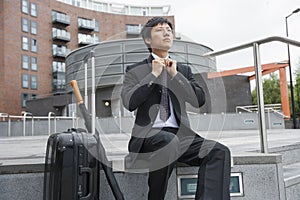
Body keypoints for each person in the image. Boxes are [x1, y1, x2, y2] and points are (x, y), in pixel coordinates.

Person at [121, 17, 231, 200]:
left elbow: (198, 100)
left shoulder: (183, 70)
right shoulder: (135, 70)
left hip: (182, 136)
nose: (166, 33)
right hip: (148, 137)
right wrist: (152, 75)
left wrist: (176, 75)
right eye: (159, 30)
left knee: (219, 151)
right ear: (148, 39)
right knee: (168, 141)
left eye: (169, 30)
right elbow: (129, 102)